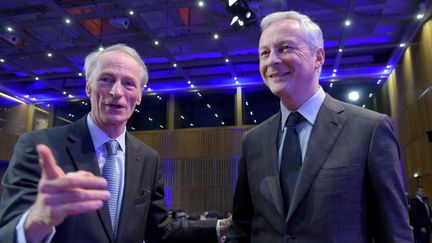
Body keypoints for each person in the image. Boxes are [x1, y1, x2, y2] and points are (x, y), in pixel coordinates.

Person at [0, 44, 230, 243]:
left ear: (139, 95)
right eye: (106, 79)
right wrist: (38, 219)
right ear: (88, 87)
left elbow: (160, 230)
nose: (116, 92)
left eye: (128, 83)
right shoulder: (39, 146)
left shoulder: (148, 158)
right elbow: (7, 232)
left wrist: (220, 226)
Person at [227, 11, 413, 243]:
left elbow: (395, 232)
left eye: (284, 48)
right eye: (264, 53)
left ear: (318, 57)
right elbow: (242, 226)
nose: (271, 60)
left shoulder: (369, 129)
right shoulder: (252, 141)